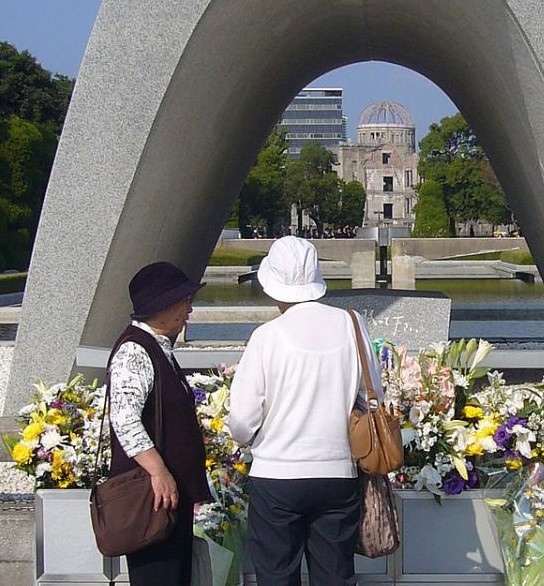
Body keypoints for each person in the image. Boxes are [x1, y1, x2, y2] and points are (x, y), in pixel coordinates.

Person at [229, 236, 382, 586]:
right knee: (335, 575)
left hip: (277, 475)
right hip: (338, 472)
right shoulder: (353, 324)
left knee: (276, 575)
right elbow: (375, 395)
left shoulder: (267, 336)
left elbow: (242, 419)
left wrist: (249, 438)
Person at [107, 261, 211, 586]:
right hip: (151, 497)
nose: (189, 309)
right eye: (184, 301)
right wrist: (159, 471)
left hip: (166, 498)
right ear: (162, 306)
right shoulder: (134, 352)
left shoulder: (156, 347)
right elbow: (124, 418)